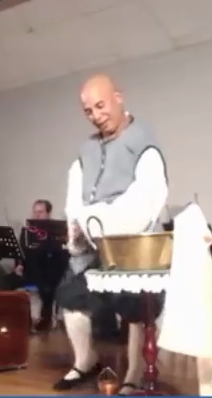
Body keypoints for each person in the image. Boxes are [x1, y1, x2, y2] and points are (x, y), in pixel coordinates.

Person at [54, 74, 169, 394]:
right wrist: (78, 226)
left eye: (100, 105)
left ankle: (134, 372)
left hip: (135, 245)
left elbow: (146, 199)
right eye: (88, 111)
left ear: (119, 97)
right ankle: (85, 360)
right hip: (94, 242)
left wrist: (99, 220)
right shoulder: (86, 150)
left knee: (135, 305)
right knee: (71, 295)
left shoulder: (144, 140)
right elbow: (74, 198)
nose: (95, 115)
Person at [19, 199, 69, 332]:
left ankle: (46, 317)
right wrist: (19, 265)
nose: (36, 215)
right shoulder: (27, 230)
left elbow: (63, 253)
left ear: (48, 213)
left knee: (47, 285)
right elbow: (22, 251)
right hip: (32, 267)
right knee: (8, 281)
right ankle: (23, 320)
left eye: (40, 212)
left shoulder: (57, 230)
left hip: (52, 267)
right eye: (35, 212)